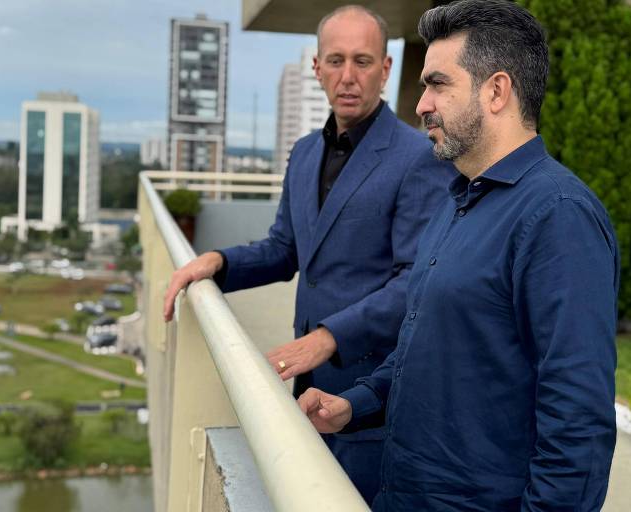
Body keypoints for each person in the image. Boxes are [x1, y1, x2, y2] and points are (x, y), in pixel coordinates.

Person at [298, 1, 620, 510]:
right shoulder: (458, 201)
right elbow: (424, 348)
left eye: (438, 84)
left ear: (496, 91)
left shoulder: (558, 216)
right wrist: (352, 405)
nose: (422, 104)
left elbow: (577, 420)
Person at [162, 5, 455, 504]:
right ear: (316, 68)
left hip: (376, 391)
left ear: (385, 70)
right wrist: (217, 262)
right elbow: (284, 249)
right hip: (308, 388)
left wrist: (328, 337)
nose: (348, 76)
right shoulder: (302, 153)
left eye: (363, 61)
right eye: (335, 60)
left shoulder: (417, 157)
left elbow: (416, 280)